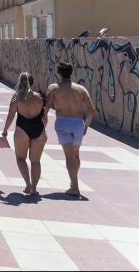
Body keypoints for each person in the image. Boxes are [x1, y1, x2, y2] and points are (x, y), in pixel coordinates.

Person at [45, 62, 95, 198]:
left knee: (68, 155)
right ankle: (73, 183)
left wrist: (42, 125)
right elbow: (91, 109)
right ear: (71, 73)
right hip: (78, 122)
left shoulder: (54, 88)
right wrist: (86, 125)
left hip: (62, 121)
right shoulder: (81, 89)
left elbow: (46, 108)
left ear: (59, 74)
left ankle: (75, 187)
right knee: (76, 154)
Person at [2, 73, 47, 195]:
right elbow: (45, 117)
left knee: (21, 158)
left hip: (22, 129)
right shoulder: (40, 97)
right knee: (36, 161)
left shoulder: (17, 97)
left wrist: (5, 130)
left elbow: (11, 115)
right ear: (32, 83)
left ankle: (28, 183)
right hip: (39, 129)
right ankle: (34, 189)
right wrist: (42, 130)